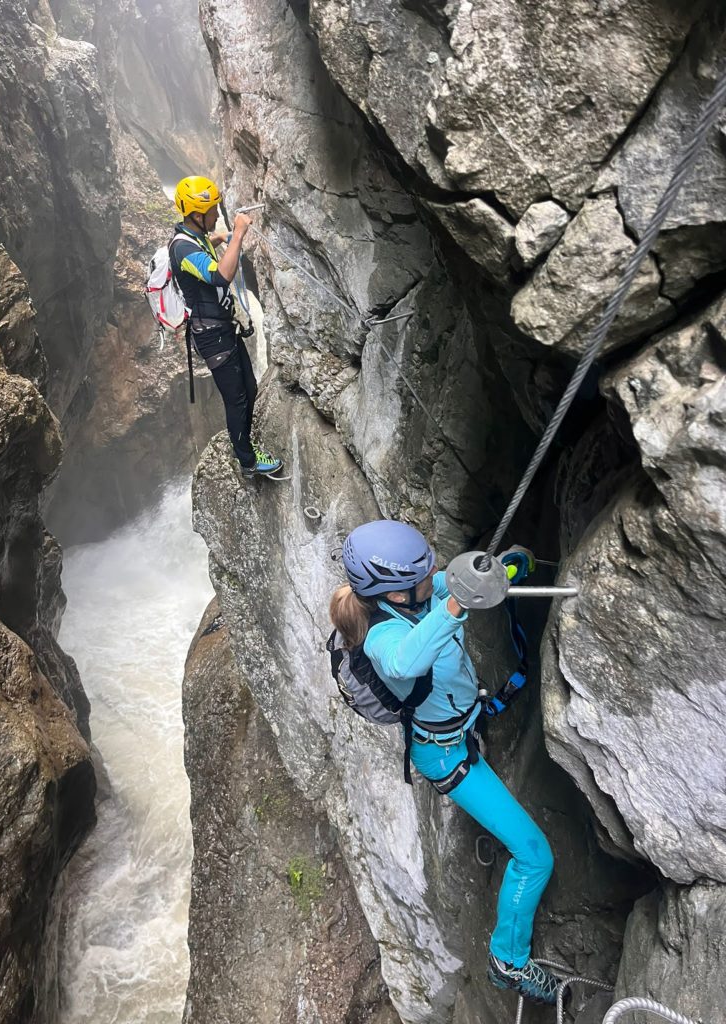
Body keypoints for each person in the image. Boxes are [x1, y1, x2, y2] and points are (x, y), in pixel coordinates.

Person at [329, 520, 562, 1007]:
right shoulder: (381, 638)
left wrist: (500, 569)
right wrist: (455, 606)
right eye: (420, 575)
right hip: (446, 756)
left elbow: (452, 580)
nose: (431, 572)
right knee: (535, 856)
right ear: (393, 595)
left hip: (461, 726)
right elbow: (405, 662)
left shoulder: (413, 594)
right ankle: (508, 962)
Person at [170, 175, 282, 478]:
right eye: (212, 211)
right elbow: (220, 276)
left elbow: (207, 244)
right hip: (212, 337)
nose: (217, 214)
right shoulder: (182, 249)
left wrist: (221, 237)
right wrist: (239, 235)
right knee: (236, 398)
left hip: (222, 330)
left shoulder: (195, 236)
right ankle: (247, 461)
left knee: (250, 386)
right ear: (196, 214)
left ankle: (245, 445)